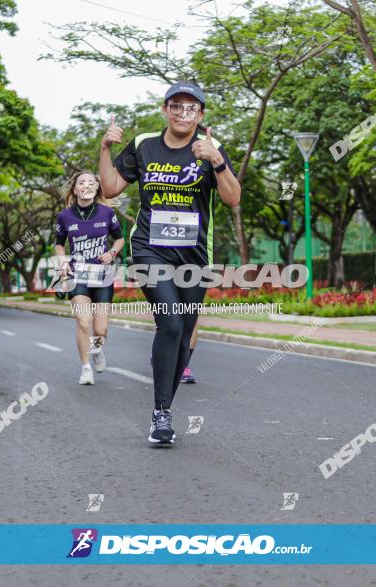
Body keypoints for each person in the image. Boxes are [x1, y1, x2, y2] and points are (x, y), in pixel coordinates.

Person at [99, 81, 241, 445]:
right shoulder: (145, 144)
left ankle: (165, 407)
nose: (183, 114)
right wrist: (105, 148)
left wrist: (217, 160)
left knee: (184, 335)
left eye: (191, 108)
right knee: (171, 323)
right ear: (165, 110)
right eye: (176, 107)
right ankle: (161, 413)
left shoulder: (211, 149)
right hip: (150, 249)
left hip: (195, 255)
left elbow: (233, 198)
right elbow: (111, 188)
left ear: (202, 115)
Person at [54, 171, 124, 385]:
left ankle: (96, 350)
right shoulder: (64, 216)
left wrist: (111, 253)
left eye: (91, 182)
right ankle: (85, 368)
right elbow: (58, 243)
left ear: (97, 188)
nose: (87, 185)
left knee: (100, 329)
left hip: (102, 276)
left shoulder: (107, 213)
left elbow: (119, 239)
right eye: (82, 183)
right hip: (78, 276)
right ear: (75, 190)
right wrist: (62, 261)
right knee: (83, 323)